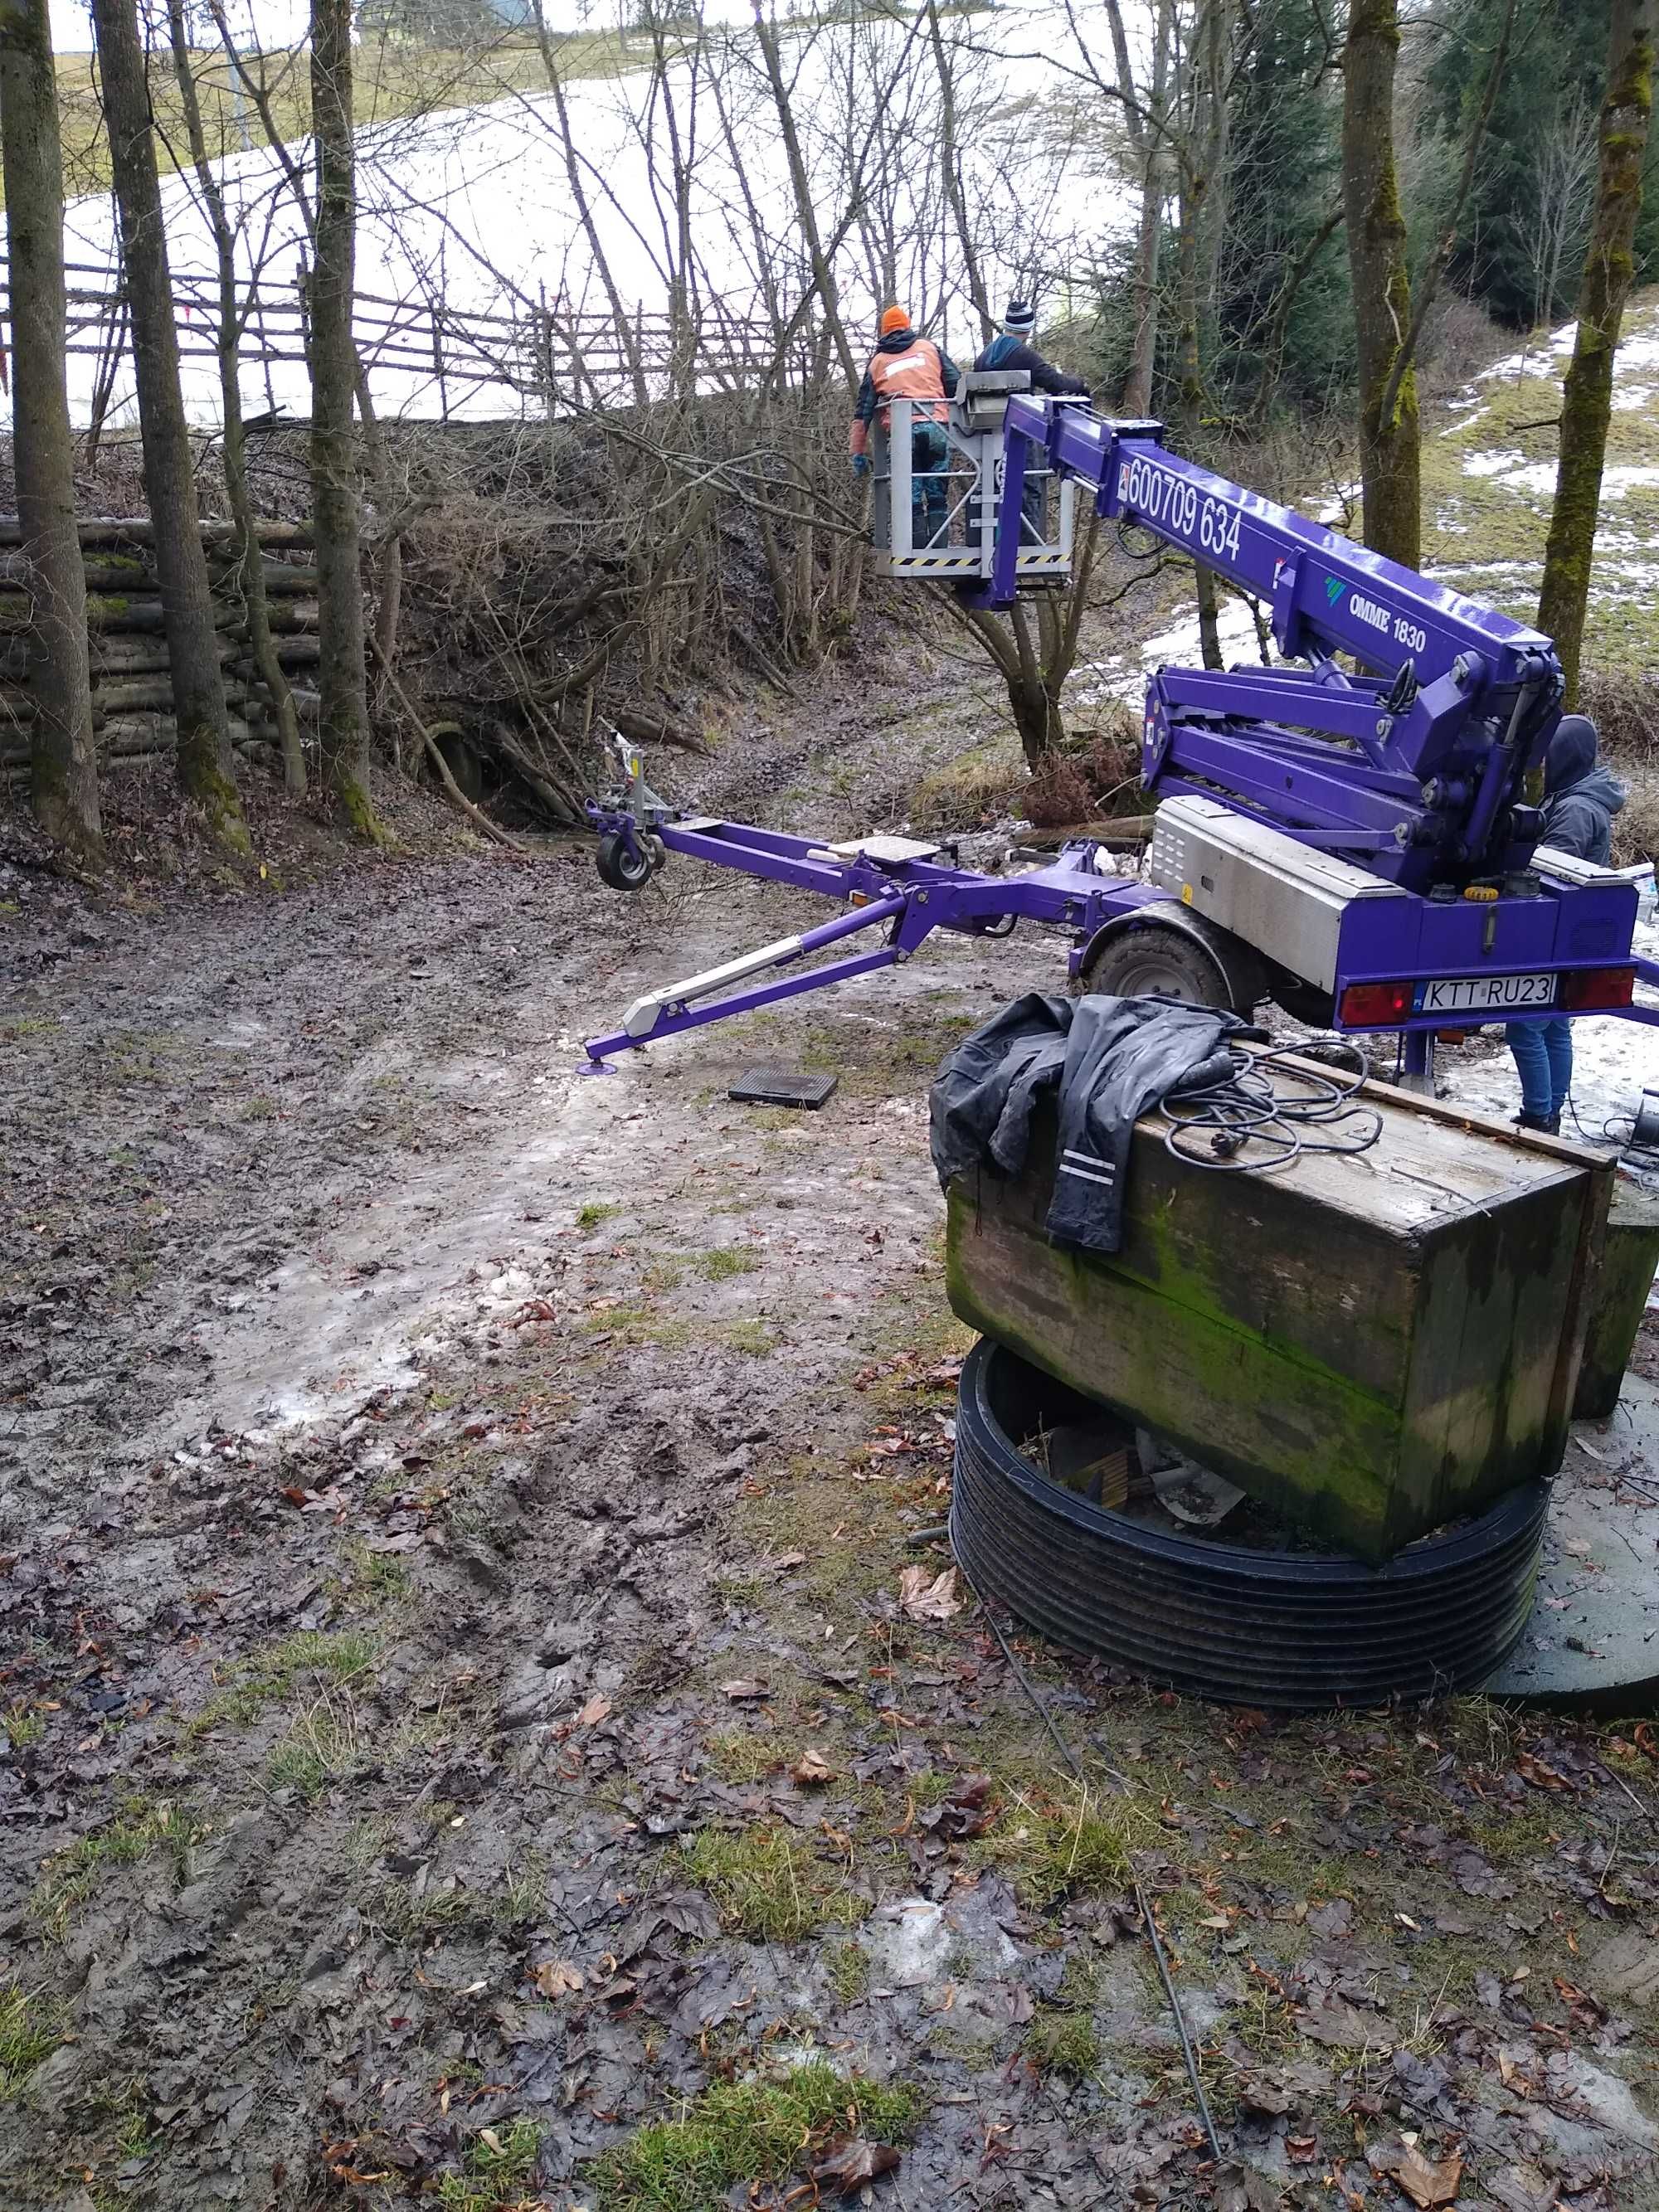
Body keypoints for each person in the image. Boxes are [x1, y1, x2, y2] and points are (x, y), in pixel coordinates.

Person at [1507, 713, 1628, 1132]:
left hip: (1555, 930)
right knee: (1555, 1024)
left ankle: (1539, 1115)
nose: (1544, 766)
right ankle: (1552, 1111)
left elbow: (1552, 870)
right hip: (1572, 931)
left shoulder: (1575, 808)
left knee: (1525, 1027)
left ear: (1565, 757)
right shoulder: (1578, 797)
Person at [974, 300, 1090, 544]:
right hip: (1020, 433)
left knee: (994, 488)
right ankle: (1027, 542)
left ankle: (994, 541)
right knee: (1029, 485)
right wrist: (1080, 386)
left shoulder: (984, 356)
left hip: (988, 438)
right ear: (1027, 328)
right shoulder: (1022, 354)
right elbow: (1053, 382)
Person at [849, 305, 959, 547]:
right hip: (936, 427)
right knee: (936, 488)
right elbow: (955, 383)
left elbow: (863, 411)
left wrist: (856, 451)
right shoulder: (929, 349)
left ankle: (917, 547)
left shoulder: (878, 362)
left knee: (909, 490)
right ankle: (939, 547)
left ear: (883, 332)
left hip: (902, 433)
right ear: (907, 327)